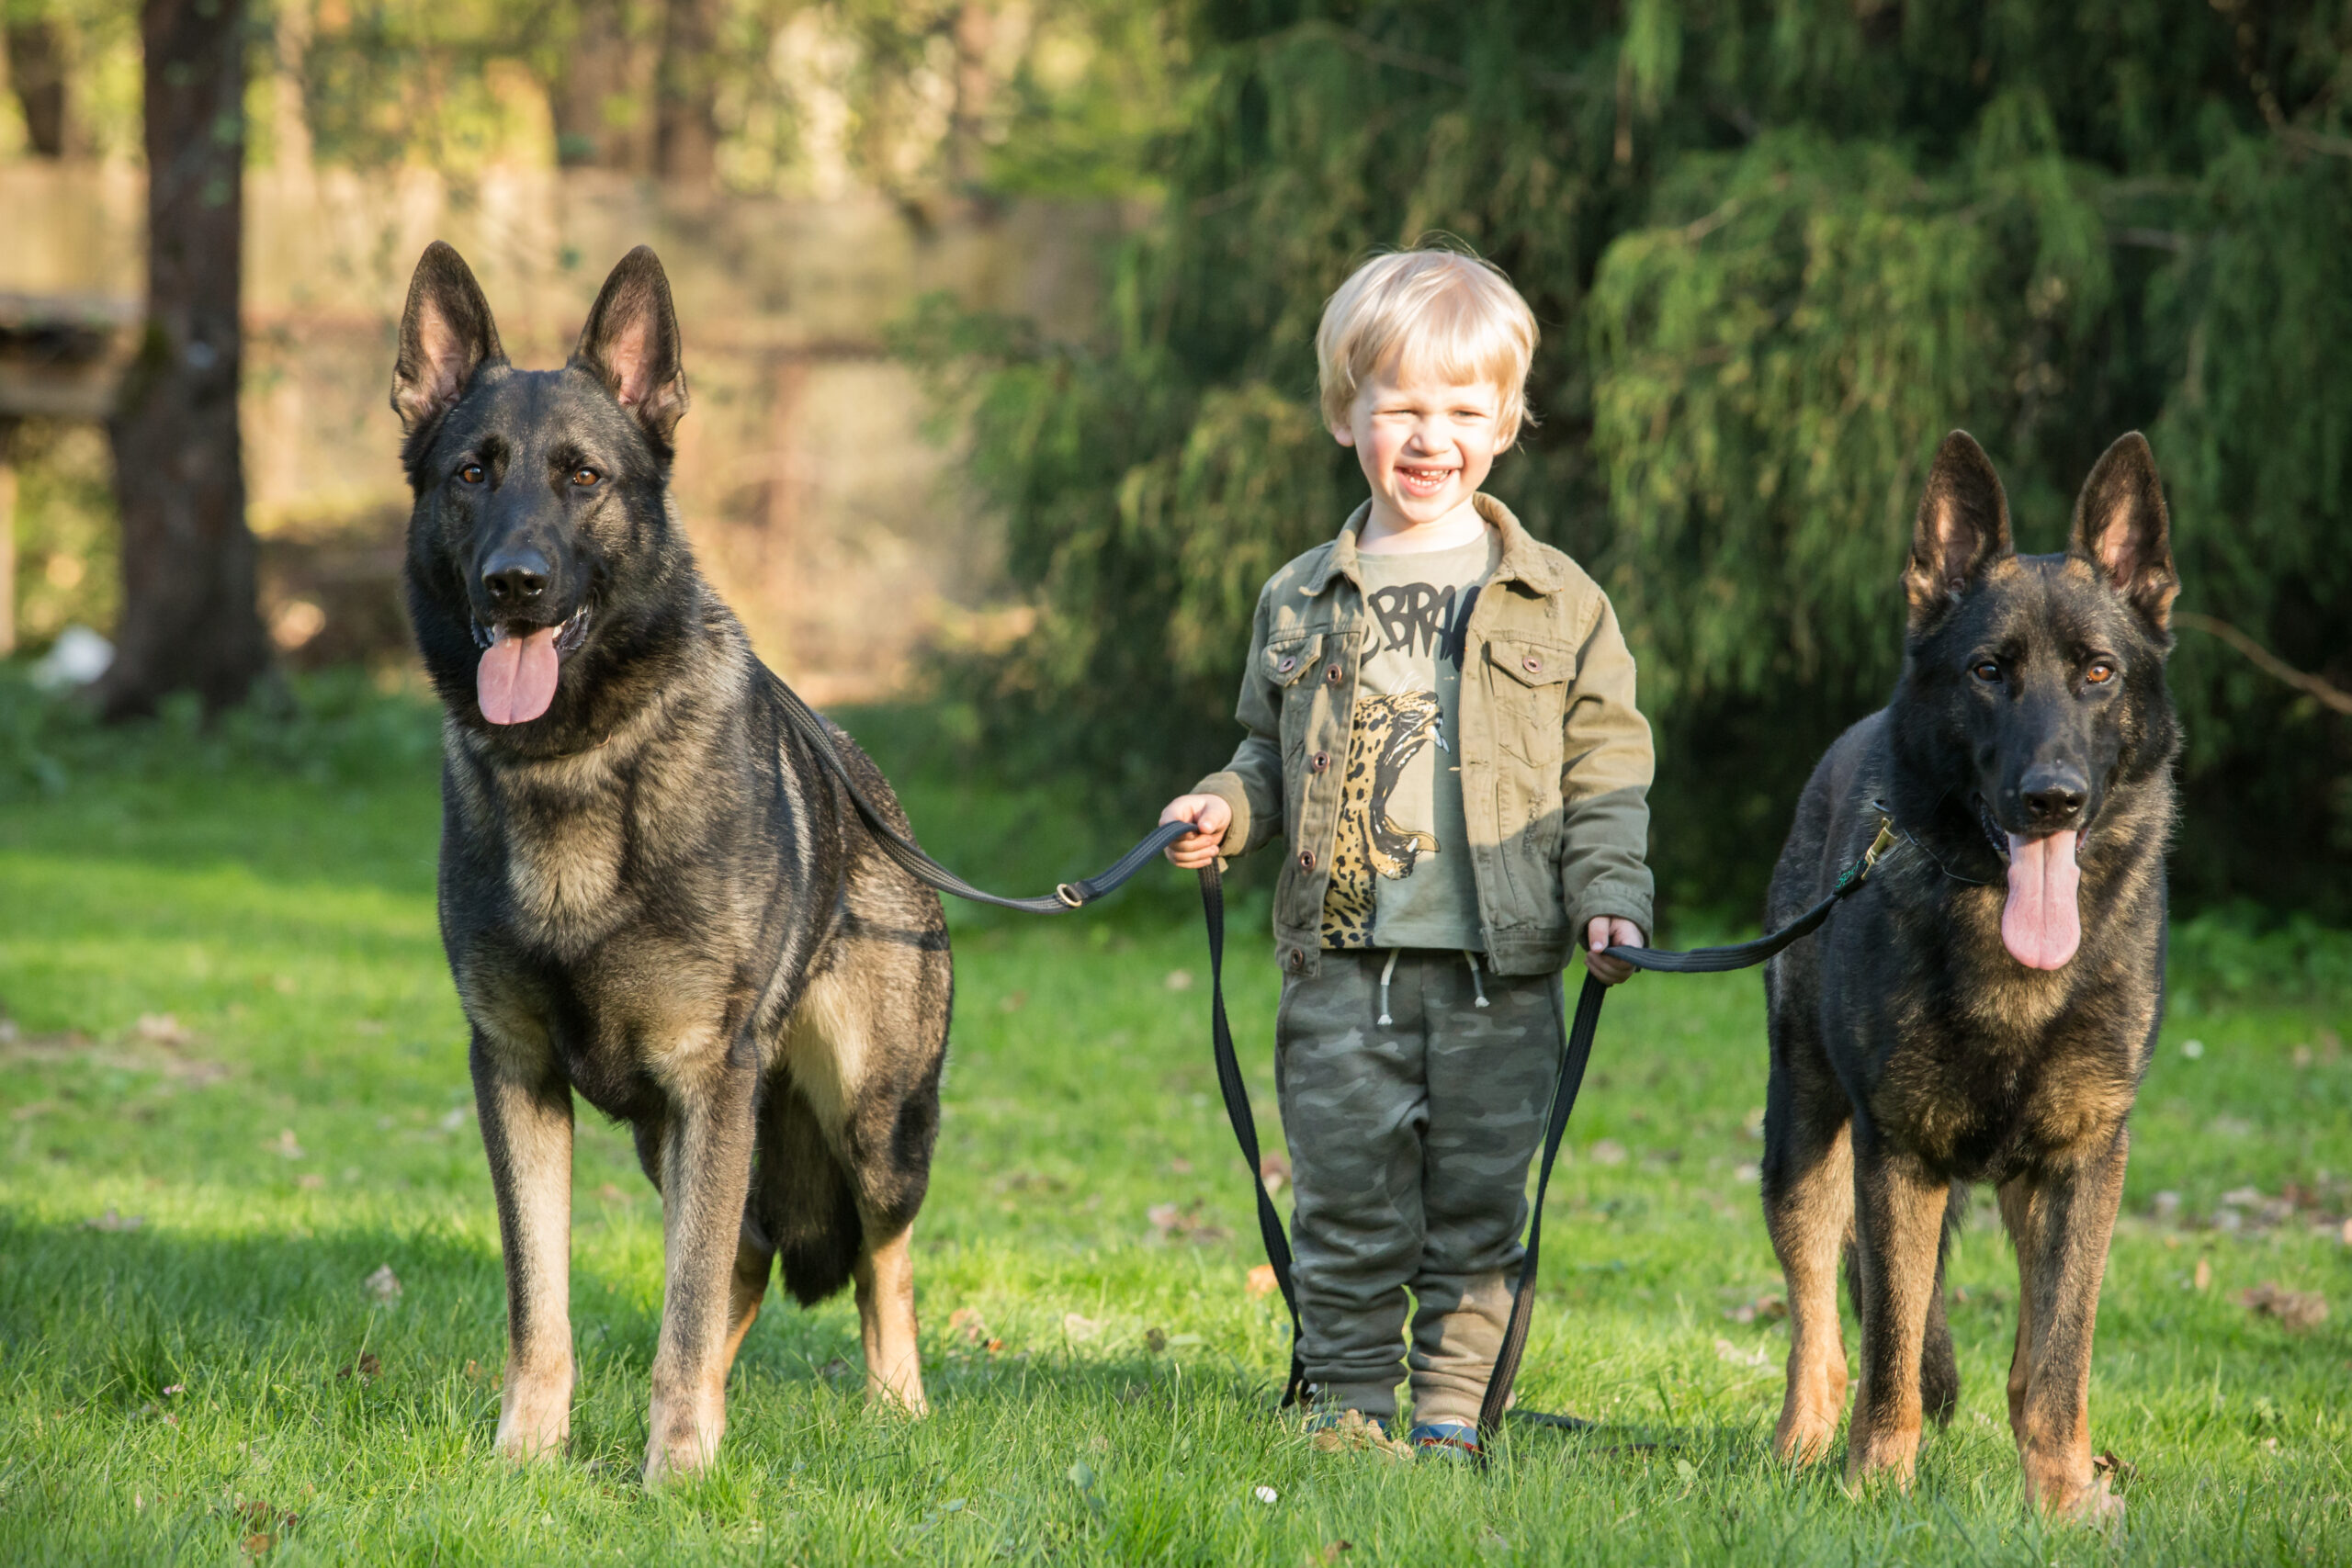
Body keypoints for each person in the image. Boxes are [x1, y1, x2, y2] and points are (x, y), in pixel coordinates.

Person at [1157, 246, 1655, 1458]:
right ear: (1347, 415)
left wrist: (1610, 899)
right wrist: (1226, 804)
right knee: (1347, 1201)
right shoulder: (1299, 597)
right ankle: (1345, 1402)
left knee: (1480, 1208)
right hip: (1340, 971)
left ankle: (1448, 1412)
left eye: (1463, 412)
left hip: (1502, 971)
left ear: (1506, 422)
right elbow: (1264, 752)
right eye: (1403, 410)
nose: (1432, 439)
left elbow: (1607, 769)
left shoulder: (1558, 601)